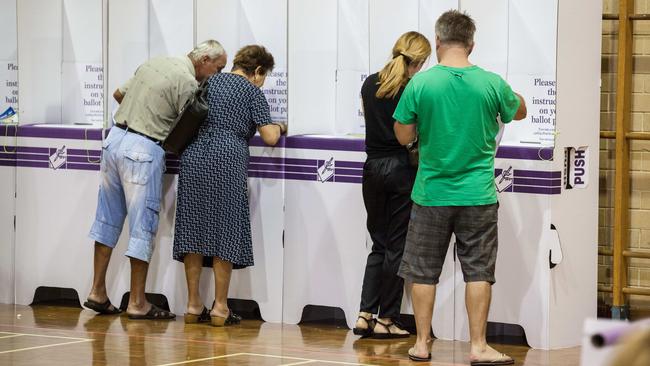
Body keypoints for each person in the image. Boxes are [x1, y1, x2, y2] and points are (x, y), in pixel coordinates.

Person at [393, 10, 527, 364]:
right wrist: (506, 94)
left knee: (423, 270)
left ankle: (422, 343)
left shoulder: (421, 84)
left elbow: (403, 133)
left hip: (431, 193)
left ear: (437, 41)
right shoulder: (491, 83)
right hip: (478, 195)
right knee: (478, 270)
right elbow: (520, 111)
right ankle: (478, 346)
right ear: (471, 43)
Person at [84, 40, 228, 319]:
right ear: (204, 60)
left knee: (106, 221)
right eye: (218, 68)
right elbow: (187, 129)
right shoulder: (187, 82)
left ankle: (97, 291)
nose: (218, 75)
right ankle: (137, 302)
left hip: (114, 140)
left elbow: (117, 94)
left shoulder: (155, 61)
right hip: (143, 150)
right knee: (142, 228)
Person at [172, 45, 285, 327]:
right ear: (257, 71)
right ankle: (220, 307)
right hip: (228, 159)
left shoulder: (209, 81)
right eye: (264, 75)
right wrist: (281, 126)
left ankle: (192, 304)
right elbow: (269, 136)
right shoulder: (252, 92)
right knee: (227, 229)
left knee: (193, 229)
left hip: (195, 156)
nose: (263, 81)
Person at [353, 31, 431, 339]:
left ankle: (364, 314)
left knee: (378, 243)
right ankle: (387, 318)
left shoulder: (369, 82)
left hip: (372, 168)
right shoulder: (415, 88)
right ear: (421, 61)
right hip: (402, 169)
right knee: (397, 247)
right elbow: (414, 134)